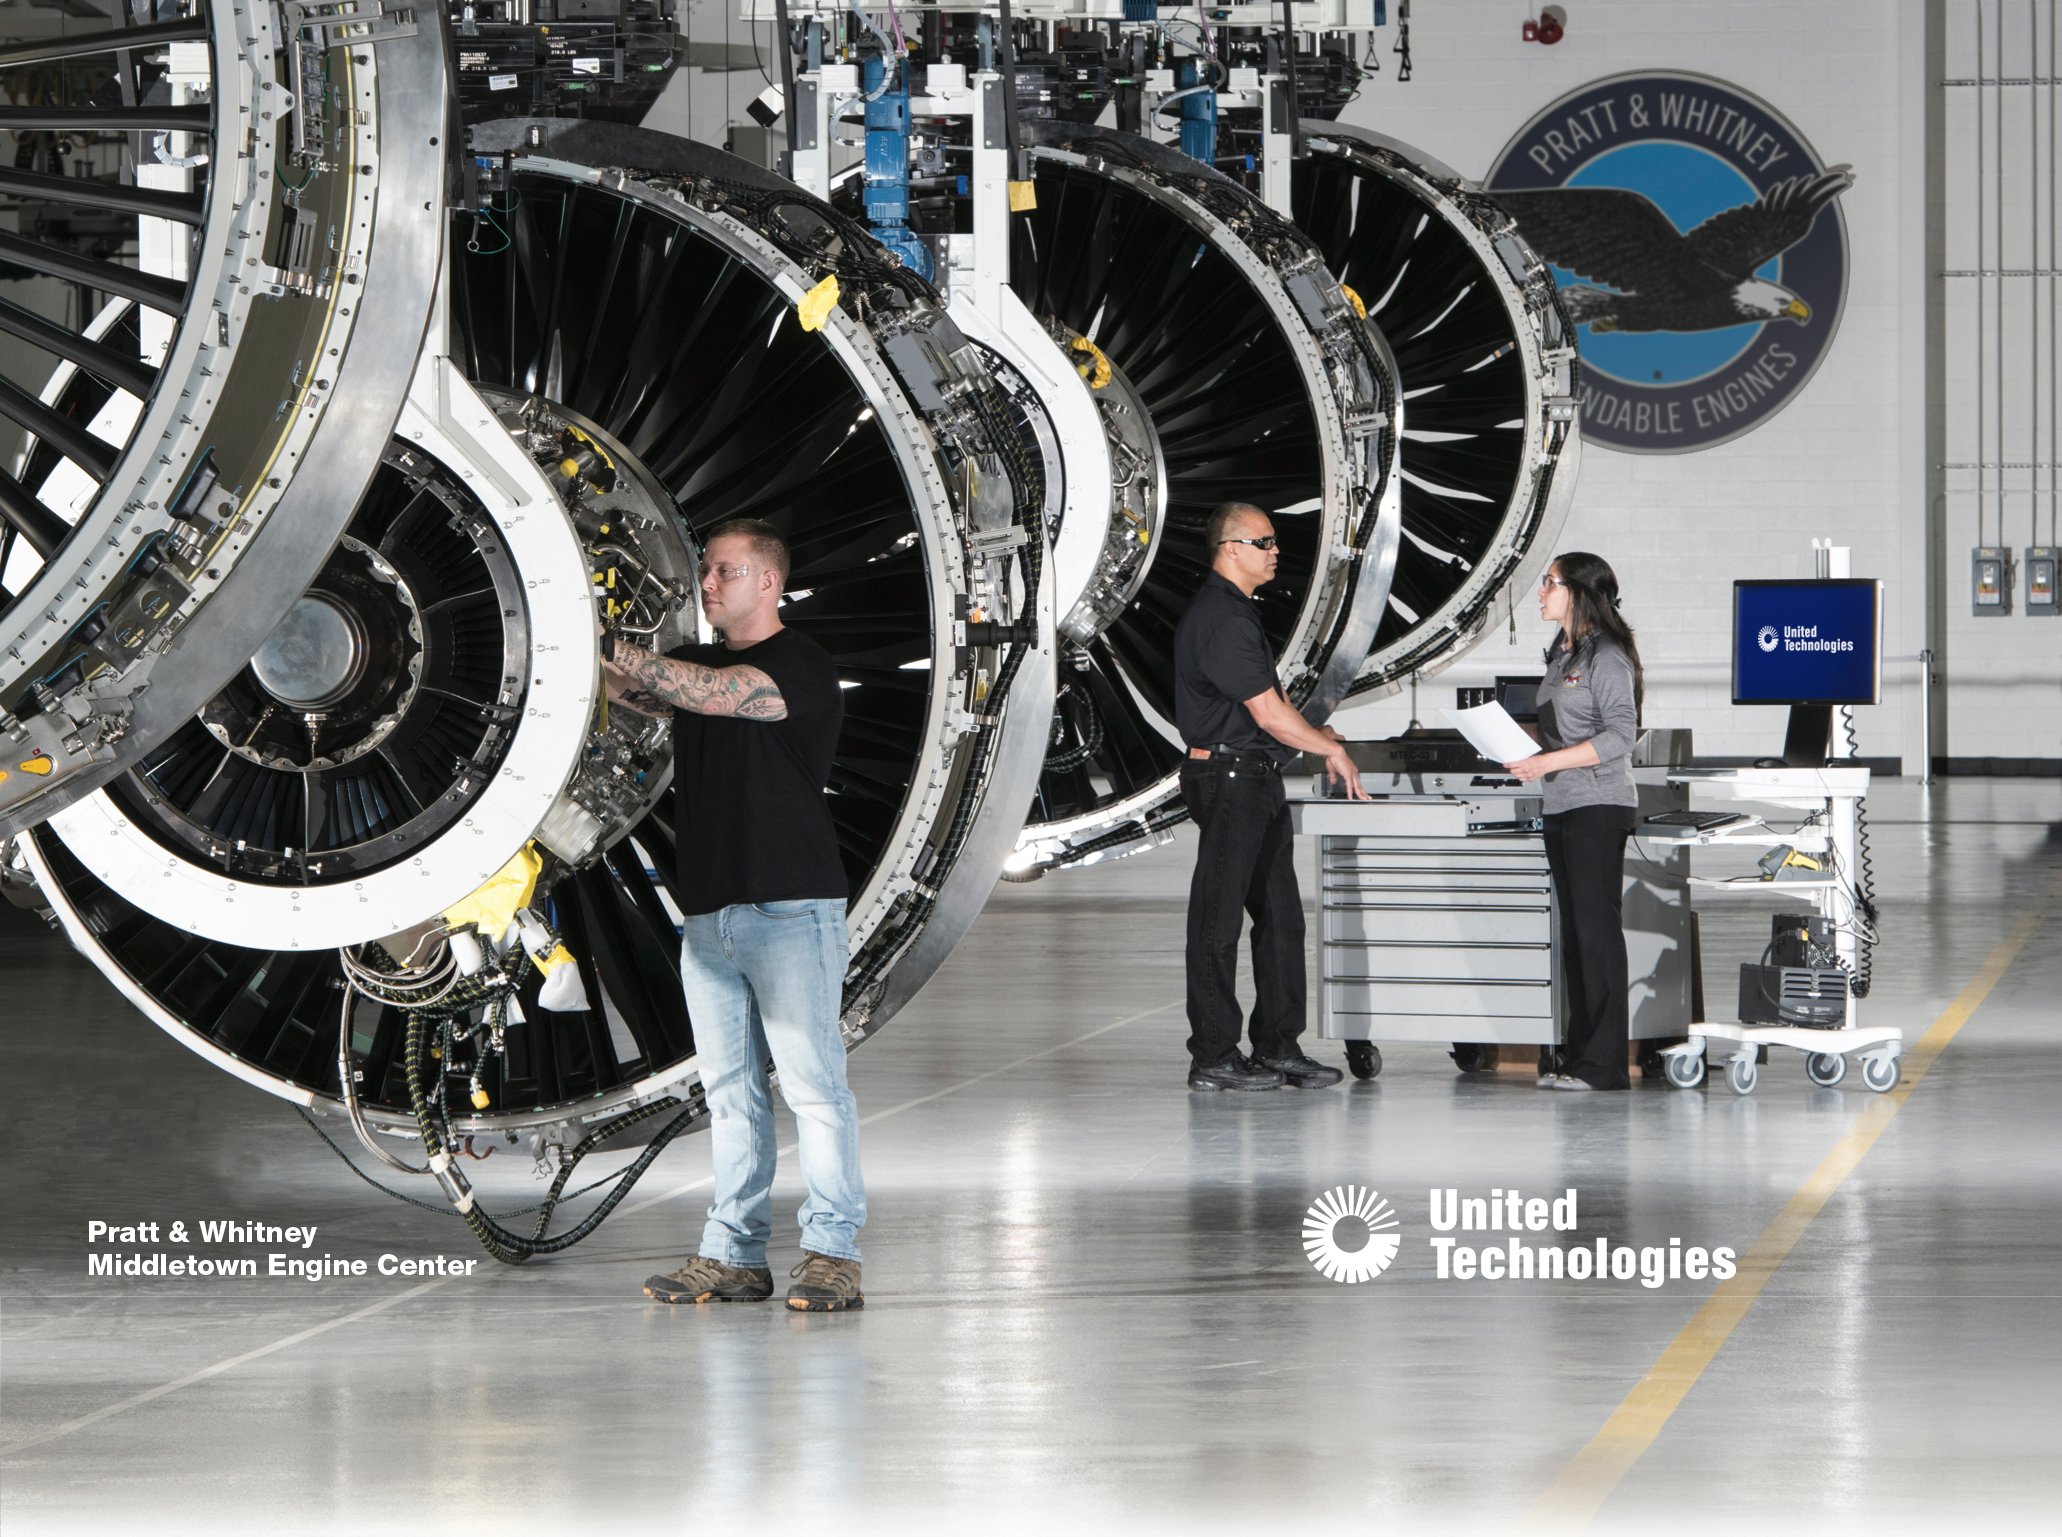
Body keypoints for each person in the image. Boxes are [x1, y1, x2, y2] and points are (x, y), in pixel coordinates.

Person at [601, 517, 866, 1310]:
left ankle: (832, 1252)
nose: (707, 584)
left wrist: (607, 635)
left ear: (768, 582)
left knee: (814, 1087)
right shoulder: (698, 663)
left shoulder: (798, 664)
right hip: (710, 918)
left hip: (791, 911)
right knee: (731, 1093)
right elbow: (634, 686)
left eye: (724, 571)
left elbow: (708, 692)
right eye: (707, 572)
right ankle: (734, 1254)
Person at [1173, 502, 1368, 1092]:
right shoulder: (1221, 617)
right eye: (1265, 542)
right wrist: (1326, 750)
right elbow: (1267, 713)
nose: (1276, 550)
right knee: (1219, 918)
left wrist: (1315, 732)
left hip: (1254, 776)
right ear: (1230, 549)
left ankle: (1279, 1045)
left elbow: (1267, 710)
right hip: (1229, 779)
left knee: (1280, 917)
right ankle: (1212, 1053)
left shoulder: (1237, 613)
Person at [1503, 552, 1644, 1092]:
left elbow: (1619, 735)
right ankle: (1579, 1058)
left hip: (1598, 808)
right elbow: (1563, 732)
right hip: (1562, 806)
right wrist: (1519, 749)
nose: (1540, 592)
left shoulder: (1606, 657)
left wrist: (1546, 762)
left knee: (1597, 936)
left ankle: (1604, 1067)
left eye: (1549, 583)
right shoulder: (1563, 655)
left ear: (1579, 592)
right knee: (1577, 940)